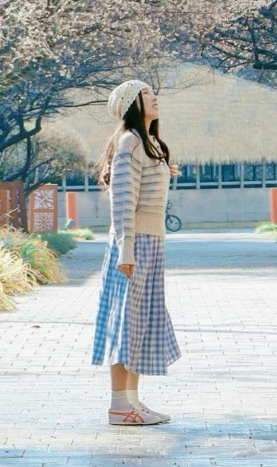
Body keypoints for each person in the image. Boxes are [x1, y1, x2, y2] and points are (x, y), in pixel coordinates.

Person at [92, 78, 180, 426]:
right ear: (131, 104)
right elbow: (122, 201)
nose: (154, 97)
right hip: (134, 244)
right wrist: (125, 250)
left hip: (151, 241)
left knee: (140, 321)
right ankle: (118, 405)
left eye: (152, 92)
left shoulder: (150, 143)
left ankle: (132, 401)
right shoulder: (129, 142)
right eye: (145, 94)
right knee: (126, 323)